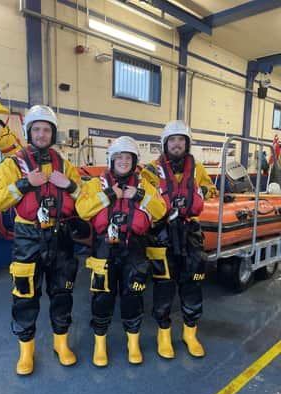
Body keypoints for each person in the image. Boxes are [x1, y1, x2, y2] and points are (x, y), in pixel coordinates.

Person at [0, 105, 82, 375]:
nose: (42, 134)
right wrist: (24, 183)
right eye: (37, 129)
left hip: (61, 235)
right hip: (28, 236)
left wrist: (71, 186)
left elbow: (86, 200)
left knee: (62, 293)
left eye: (47, 129)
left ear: (53, 133)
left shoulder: (65, 165)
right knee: (25, 295)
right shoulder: (13, 164)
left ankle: (61, 344)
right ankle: (26, 353)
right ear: (29, 132)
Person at [75, 136, 166, 366]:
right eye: (119, 157)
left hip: (134, 248)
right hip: (103, 249)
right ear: (111, 159)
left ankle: (133, 344)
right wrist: (109, 195)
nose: (123, 161)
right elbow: (83, 209)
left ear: (134, 161)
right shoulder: (96, 185)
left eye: (128, 157)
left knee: (133, 296)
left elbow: (160, 211)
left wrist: (139, 195)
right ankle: (100, 344)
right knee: (101, 297)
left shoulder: (145, 186)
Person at [141, 120, 215, 359]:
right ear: (165, 144)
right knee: (163, 286)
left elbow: (210, 190)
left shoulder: (198, 169)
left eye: (181, 140)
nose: (176, 144)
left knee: (192, 283)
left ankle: (190, 333)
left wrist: (197, 195)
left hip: (189, 233)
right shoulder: (150, 171)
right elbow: (145, 198)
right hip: (162, 234)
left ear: (187, 144)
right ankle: (164, 335)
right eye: (172, 140)